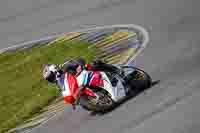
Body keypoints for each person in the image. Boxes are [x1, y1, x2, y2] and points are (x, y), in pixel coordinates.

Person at [42, 58, 119, 109]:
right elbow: (64, 89)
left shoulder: (65, 66)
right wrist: (70, 100)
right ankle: (99, 97)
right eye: (49, 79)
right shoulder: (59, 83)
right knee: (78, 99)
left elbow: (78, 62)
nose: (51, 79)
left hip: (84, 73)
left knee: (93, 64)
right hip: (80, 85)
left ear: (54, 70)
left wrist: (80, 67)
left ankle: (115, 70)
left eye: (50, 77)